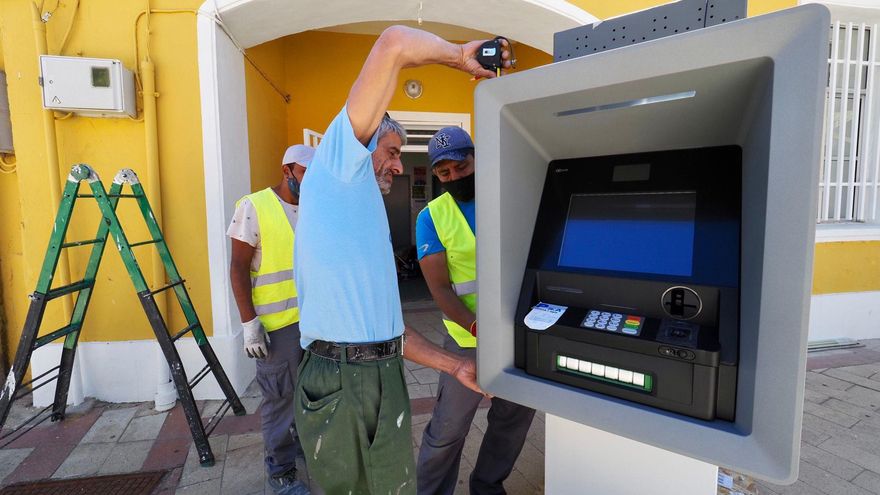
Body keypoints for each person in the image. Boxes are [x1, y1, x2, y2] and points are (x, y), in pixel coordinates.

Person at [292, 26, 509, 494]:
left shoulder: (363, 213)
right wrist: (457, 57)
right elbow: (393, 43)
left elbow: (389, 331)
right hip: (339, 379)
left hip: (378, 371)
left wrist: (454, 367)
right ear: (361, 145)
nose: (396, 164)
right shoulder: (336, 167)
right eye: (391, 152)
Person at [415, 127, 535, 495]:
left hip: (520, 335)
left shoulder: (511, 196)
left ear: (476, 158)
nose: (454, 177)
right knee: (449, 427)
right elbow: (439, 288)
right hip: (467, 339)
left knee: (511, 420)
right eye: (444, 173)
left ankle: (486, 486)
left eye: (461, 167)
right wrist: (476, 326)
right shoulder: (432, 217)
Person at [227, 144, 314, 495]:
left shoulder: (313, 207)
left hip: (313, 324)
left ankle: (302, 449)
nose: (310, 181)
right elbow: (237, 268)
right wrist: (250, 325)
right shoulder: (255, 206)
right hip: (276, 328)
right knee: (279, 401)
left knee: (309, 396)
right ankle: (280, 471)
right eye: (305, 173)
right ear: (287, 171)